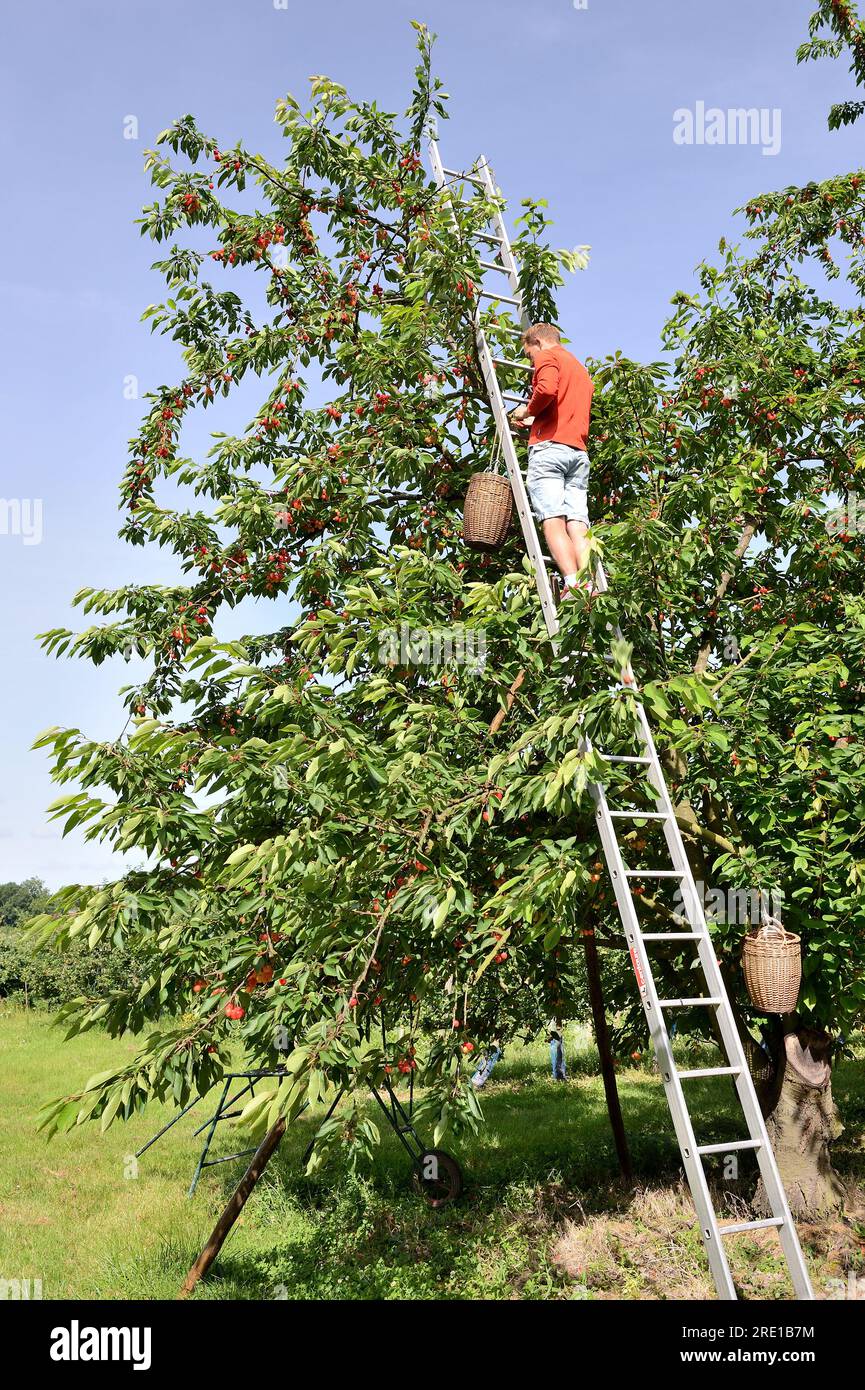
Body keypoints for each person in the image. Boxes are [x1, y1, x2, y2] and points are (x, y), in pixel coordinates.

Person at [511, 323, 594, 600]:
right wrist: (536, 420)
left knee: (552, 519)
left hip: (550, 451)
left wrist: (525, 411)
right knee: (578, 522)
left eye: (529, 354)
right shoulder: (579, 368)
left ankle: (572, 583)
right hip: (577, 453)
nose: (531, 360)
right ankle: (589, 582)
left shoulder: (548, 356)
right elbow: (561, 404)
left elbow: (546, 391)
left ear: (537, 342)